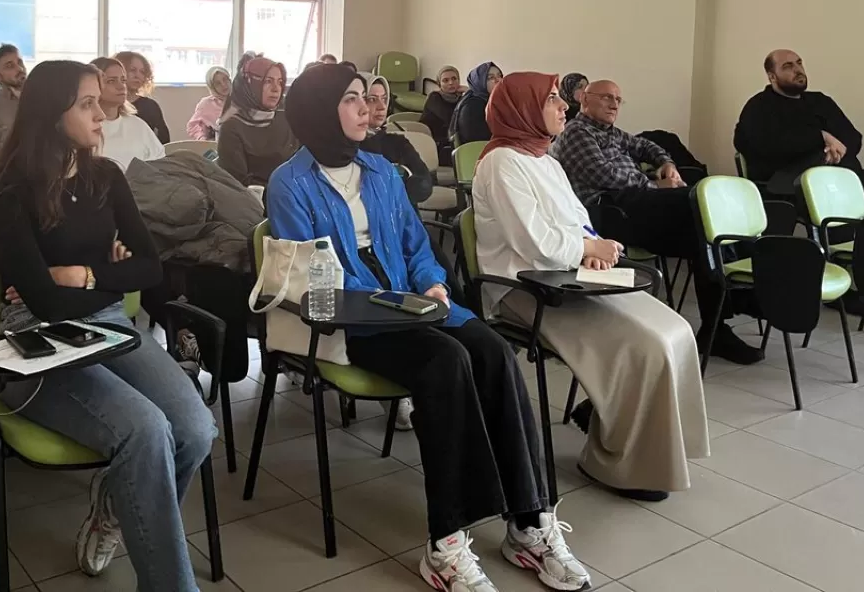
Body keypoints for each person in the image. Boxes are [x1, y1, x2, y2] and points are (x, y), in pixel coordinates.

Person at [266, 64, 589, 592]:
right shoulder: (290, 184)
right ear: (319, 111)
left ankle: (531, 523)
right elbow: (315, 278)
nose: (365, 109)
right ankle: (446, 546)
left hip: (411, 302)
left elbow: (418, 247)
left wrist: (433, 284)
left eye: (364, 99)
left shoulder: (379, 170)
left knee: (491, 350)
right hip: (353, 319)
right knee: (446, 361)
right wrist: (390, 301)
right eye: (350, 100)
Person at [0, 60, 216, 586]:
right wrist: (110, 274)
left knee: (196, 429)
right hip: (34, 341)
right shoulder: (12, 191)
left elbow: (151, 268)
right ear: (52, 113)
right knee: (147, 429)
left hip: (107, 321)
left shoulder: (106, 176)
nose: (102, 115)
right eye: (87, 104)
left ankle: (116, 509)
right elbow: (42, 304)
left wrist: (82, 276)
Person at [474, 72, 709, 502]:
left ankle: (614, 418)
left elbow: (576, 218)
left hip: (570, 277)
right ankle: (616, 463)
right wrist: (586, 246)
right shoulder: (501, 162)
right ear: (523, 108)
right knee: (644, 345)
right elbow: (536, 243)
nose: (564, 105)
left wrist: (592, 248)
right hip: (526, 290)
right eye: (550, 99)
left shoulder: (545, 158)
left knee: (674, 330)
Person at [555, 80, 763, 365]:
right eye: (606, 97)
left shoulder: (612, 133)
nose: (614, 103)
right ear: (584, 99)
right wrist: (655, 184)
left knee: (701, 235)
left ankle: (716, 328)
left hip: (637, 206)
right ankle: (744, 296)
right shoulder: (577, 132)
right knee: (697, 201)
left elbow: (646, 145)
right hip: (608, 213)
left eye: (618, 98)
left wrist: (667, 164)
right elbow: (603, 176)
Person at [734, 49, 863, 190]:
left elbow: (853, 138)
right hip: (784, 184)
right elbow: (768, 146)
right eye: (788, 66)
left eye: (799, 63)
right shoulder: (758, 106)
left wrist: (830, 154)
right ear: (772, 77)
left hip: (835, 177)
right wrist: (821, 137)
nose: (797, 70)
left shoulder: (821, 102)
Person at [216, 53, 297, 187]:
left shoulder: (286, 117)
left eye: (280, 82)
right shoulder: (232, 128)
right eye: (268, 81)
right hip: (256, 201)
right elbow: (237, 184)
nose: (276, 89)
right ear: (250, 84)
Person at [362, 74, 433, 206]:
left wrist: (402, 188)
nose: (382, 106)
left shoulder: (398, 143)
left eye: (384, 99)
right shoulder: (347, 146)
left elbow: (425, 184)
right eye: (372, 99)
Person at [91, 57, 165, 169]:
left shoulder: (138, 125)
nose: (121, 87)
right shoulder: (84, 129)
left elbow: (160, 165)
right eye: (111, 81)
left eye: (123, 80)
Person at [114, 51, 170, 144]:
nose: (137, 75)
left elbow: (164, 142)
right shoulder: (109, 104)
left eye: (142, 72)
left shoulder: (151, 106)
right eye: (132, 70)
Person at [419, 65, 466, 163]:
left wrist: (469, 92)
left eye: (454, 79)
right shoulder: (434, 97)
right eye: (445, 80)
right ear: (439, 84)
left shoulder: (460, 98)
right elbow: (452, 119)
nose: (451, 83)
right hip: (434, 146)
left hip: (452, 143)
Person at [449, 61, 501, 145]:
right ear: (479, 82)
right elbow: (477, 141)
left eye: (499, 76)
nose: (498, 80)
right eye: (491, 78)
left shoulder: (496, 102)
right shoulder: (472, 106)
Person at [186, 67, 230, 141]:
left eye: (225, 80)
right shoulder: (206, 104)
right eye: (218, 83)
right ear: (212, 87)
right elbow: (192, 126)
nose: (223, 85)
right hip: (217, 145)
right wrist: (201, 138)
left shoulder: (243, 99)